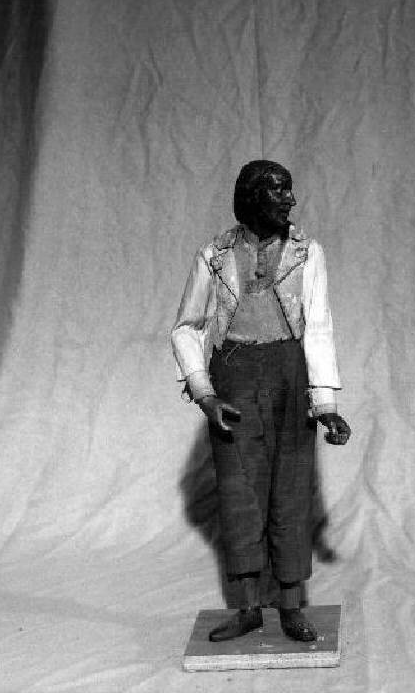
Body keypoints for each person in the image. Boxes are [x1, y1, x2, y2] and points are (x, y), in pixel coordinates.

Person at [171, 160, 351, 643]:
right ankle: (249, 607)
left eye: (289, 190)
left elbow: (318, 327)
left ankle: (291, 606)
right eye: (278, 191)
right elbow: (186, 327)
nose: (290, 200)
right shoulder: (214, 255)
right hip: (233, 378)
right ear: (251, 197)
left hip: (291, 376)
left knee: (291, 490)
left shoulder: (307, 253)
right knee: (239, 494)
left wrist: (325, 404)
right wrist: (205, 394)